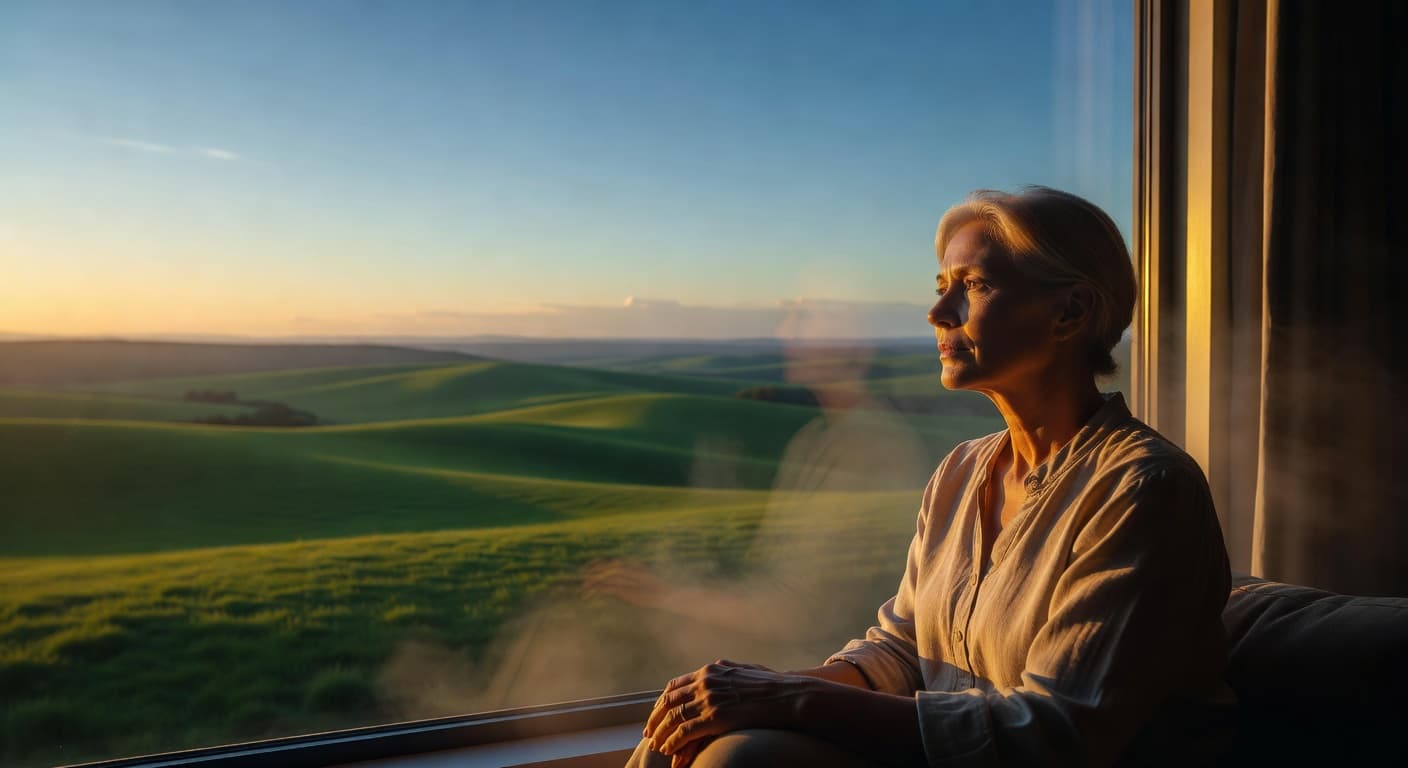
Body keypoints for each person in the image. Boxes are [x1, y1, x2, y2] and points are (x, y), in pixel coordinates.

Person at [626, 187, 1233, 767]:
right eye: (943, 286)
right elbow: (901, 651)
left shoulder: (1143, 490)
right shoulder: (961, 472)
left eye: (975, 285)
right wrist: (748, 690)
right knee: (683, 725)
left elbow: (1056, 737)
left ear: (1070, 311)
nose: (938, 311)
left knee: (742, 760)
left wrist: (792, 701)